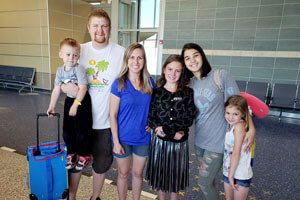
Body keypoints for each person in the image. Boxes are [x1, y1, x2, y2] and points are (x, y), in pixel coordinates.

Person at [61, 9, 125, 200]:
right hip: (80, 121)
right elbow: (62, 79)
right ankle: (71, 196)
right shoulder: (78, 50)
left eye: (104, 26)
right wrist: (66, 89)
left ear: (110, 29)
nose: (100, 30)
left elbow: (134, 79)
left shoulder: (120, 53)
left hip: (105, 123)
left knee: (101, 164)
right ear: (89, 28)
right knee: (75, 163)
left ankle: (94, 197)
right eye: (95, 25)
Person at [181, 43, 256, 200]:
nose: (192, 60)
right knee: (210, 181)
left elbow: (239, 104)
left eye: (195, 55)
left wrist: (251, 128)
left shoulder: (220, 76)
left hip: (217, 143)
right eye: (187, 58)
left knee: (203, 182)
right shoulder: (190, 84)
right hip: (200, 142)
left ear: (202, 55)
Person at [146, 54, 196, 200]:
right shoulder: (156, 92)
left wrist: (168, 131)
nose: (173, 74)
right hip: (160, 144)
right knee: (161, 179)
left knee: (174, 179)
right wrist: (169, 133)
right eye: (170, 69)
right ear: (164, 69)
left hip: (178, 145)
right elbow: (151, 117)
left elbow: (188, 118)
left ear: (182, 73)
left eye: (177, 70)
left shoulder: (187, 93)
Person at [110, 43, 154, 200]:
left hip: (142, 138)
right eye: (132, 57)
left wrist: (153, 123)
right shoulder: (119, 84)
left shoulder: (150, 83)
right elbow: (112, 115)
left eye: (140, 57)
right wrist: (116, 142)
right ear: (127, 60)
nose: (136, 61)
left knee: (137, 173)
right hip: (122, 139)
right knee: (123, 174)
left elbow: (156, 108)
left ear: (144, 61)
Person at [46, 38, 92, 171]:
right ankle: (71, 153)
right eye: (68, 54)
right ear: (60, 54)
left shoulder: (79, 69)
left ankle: (84, 155)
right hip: (69, 100)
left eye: (75, 55)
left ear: (78, 56)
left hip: (82, 101)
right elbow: (56, 89)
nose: (71, 58)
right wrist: (52, 106)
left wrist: (76, 104)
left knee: (82, 130)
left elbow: (83, 88)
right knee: (67, 130)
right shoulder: (60, 71)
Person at [223, 95, 253, 200]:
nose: (230, 117)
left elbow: (236, 153)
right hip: (229, 170)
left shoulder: (239, 127)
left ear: (243, 114)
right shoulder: (233, 125)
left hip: (239, 174)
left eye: (235, 114)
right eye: (228, 113)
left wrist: (231, 176)